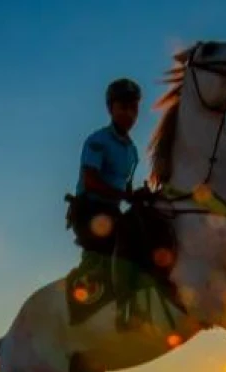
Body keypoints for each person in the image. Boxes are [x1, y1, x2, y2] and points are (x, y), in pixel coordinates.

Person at [66, 77, 147, 329]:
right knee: (124, 241)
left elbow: (127, 187)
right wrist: (124, 196)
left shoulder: (132, 150)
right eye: (123, 107)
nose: (129, 114)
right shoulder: (98, 140)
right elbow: (91, 180)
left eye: (133, 108)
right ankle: (124, 310)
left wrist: (141, 196)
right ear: (110, 109)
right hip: (90, 210)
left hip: (111, 211)